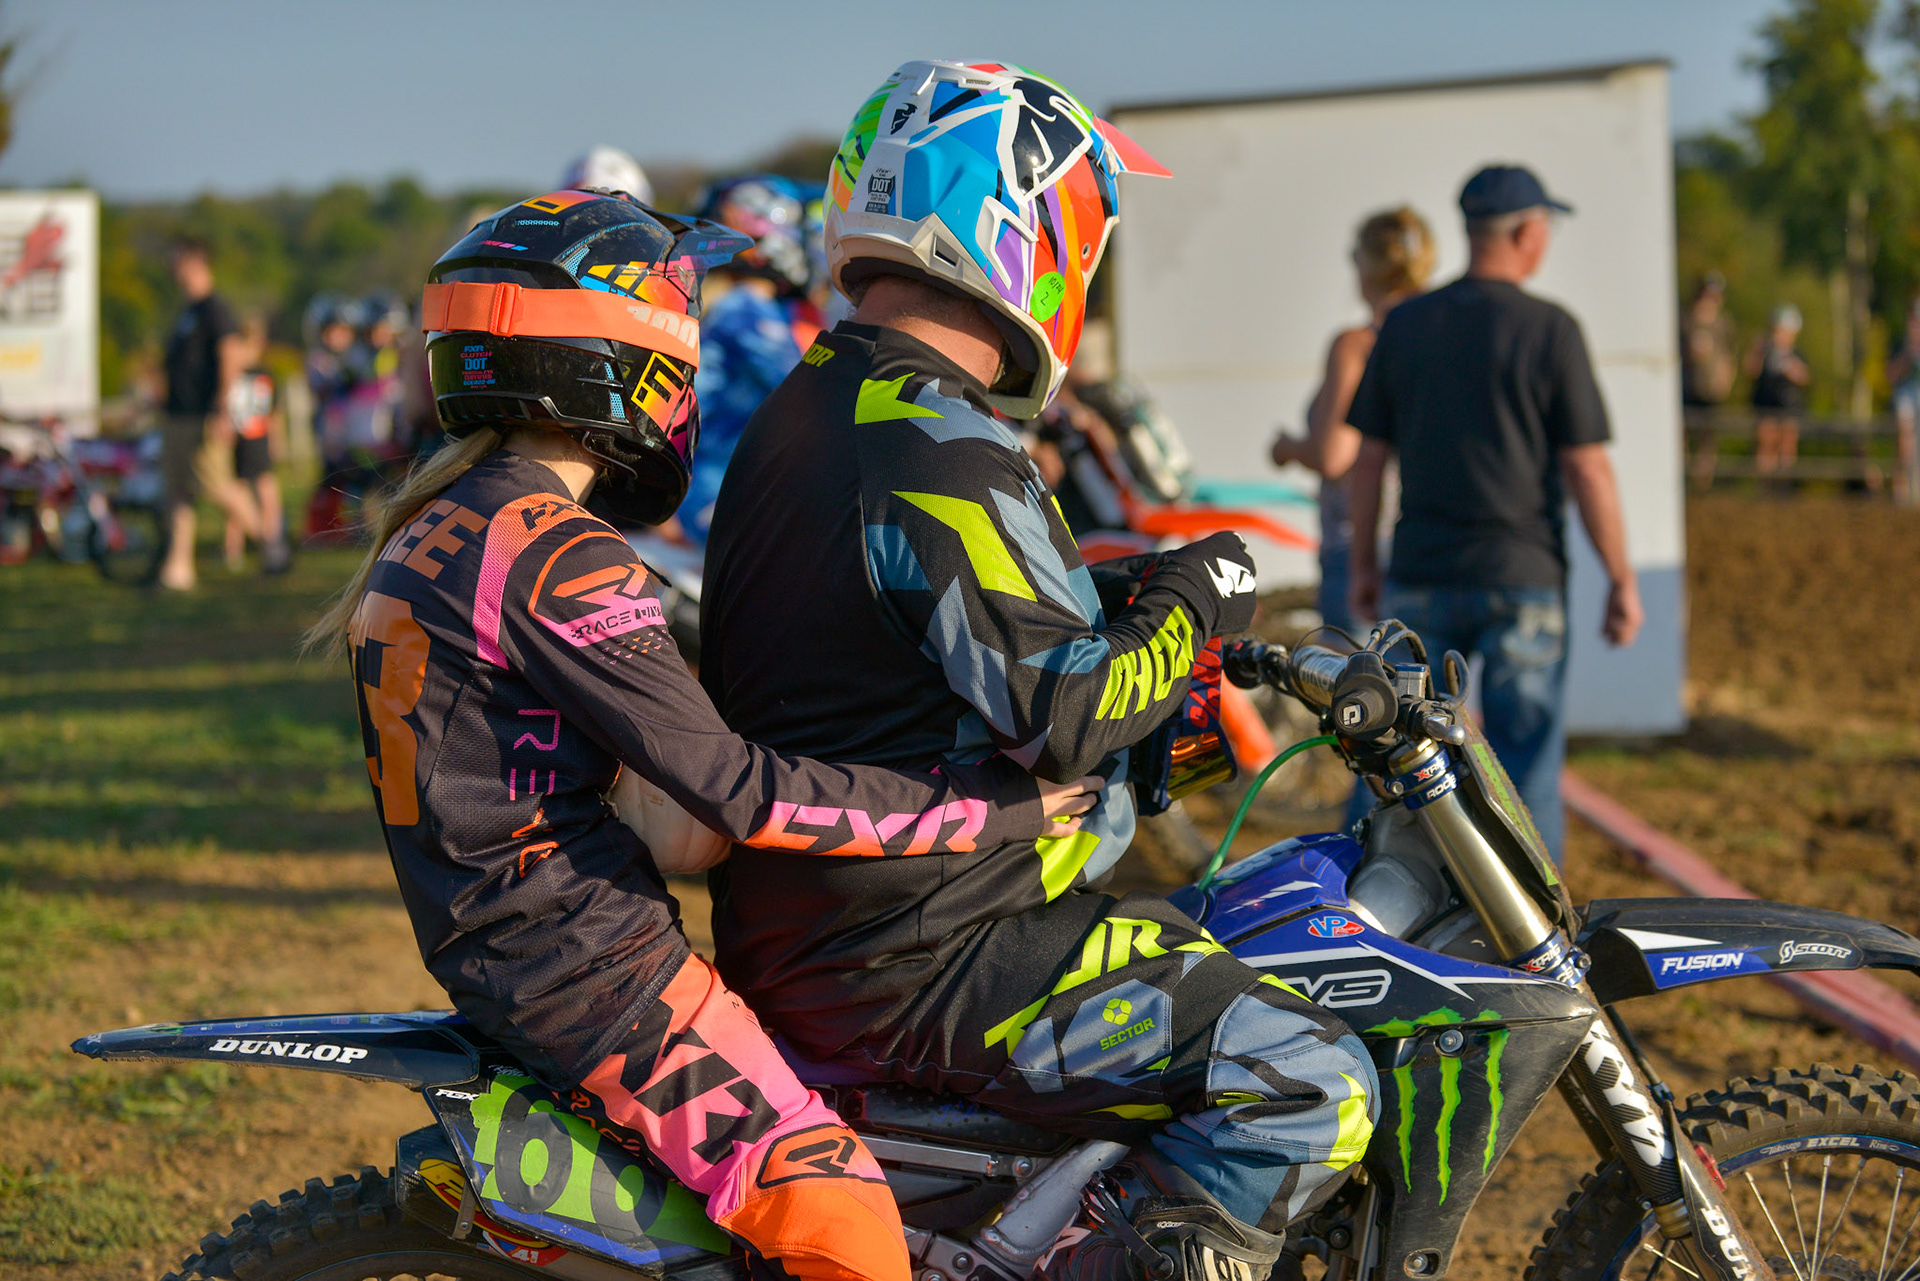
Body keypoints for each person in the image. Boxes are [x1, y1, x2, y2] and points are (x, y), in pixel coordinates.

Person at [304, 190, 1098, 1281]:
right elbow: (741, 795)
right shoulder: (555, 549)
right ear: (619, 357)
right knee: (842, 1223)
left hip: (508, 952)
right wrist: (989, 810)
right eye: (676, 332)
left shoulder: (435, 528)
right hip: (597, 979)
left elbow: (659, 819)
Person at [701, 61, 1377, 1281]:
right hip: (925, 953)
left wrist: (1131, 615)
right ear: (1023, 228)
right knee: (1308, 1077)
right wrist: (1200, 588)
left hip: (845, 922)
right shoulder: (933, 437)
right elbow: (1065, 712)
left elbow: (915, 648)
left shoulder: (826, 401)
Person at [1346, 164, 1642, 865]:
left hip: (1421, 574)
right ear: (1526, 232)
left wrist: (1363, 565)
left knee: (1391, 755)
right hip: (1524, 578)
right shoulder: (1551, 330)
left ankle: (1373, 901)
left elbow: (1368, 460)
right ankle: (1531, 918)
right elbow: (1588, 468)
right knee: (1525, 768)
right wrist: (1621, 579)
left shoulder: (1407, 323)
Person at [1271, 206, 1434, 635]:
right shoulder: (1441, 338)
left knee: (1359, 676)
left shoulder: (1357, 345)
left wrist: (1288, 449)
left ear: (1366, 266)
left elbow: (1335, 455)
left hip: (1359, 547)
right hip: (1429, 545)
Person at [667, 176, 820, 544]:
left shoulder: (738, 305)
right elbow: (810, 394)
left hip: (708, 482)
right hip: (714, 487)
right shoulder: (748, 310)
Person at [157, 238, 244, 591]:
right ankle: (178, 569)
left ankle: (271, 540)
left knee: (217, 488)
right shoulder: (187, 312)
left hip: (203, 415)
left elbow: (231, 356)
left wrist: (222, 407)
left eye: (178, 261)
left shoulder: (214, 309)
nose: (172, 268)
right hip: (177, 415)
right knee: (178, 493)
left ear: (197, 262)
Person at [222, 313, 290, 573]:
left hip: (258, 439)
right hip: (238, 440)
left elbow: (273, 413)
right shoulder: (232, 375)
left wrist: (277, 441)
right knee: (238, 498)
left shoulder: (264, 375)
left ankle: (271, 543)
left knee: (266, 496)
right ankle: (234, 551)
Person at [1746, 304, 1809, 483]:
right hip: (1766, 405)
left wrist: (1792, 370)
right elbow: (1750, 370)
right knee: (1766, 443)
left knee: (1787, 445)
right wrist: (1757, 349)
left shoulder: (1796, 354)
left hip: (1789, 406)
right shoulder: (1764, 351)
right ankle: (1765, 484)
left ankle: (1783, 485)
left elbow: (1804, 377)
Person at [1886, 300, 1920, 503]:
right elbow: (1890, 375)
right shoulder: (1900, 343)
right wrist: (1908, 354)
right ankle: (1901, 492)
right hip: (1905, 395)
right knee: (1905, 445)